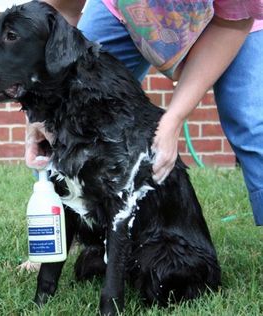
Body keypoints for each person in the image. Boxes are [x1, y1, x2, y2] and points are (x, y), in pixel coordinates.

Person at [25, 0, 263, 226]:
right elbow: (59, 12)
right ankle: (53, 233)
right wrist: (42, 108)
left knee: (251, 121)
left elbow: (230, 24)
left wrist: (173, 119)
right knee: (74, 97)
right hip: (125, 8)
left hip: (232, 22)